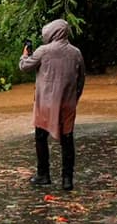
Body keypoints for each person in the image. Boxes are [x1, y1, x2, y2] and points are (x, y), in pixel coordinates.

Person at [19, 18, 86, 191]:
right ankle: (67, 179)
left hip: (45, 105)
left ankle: (43, 174)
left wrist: (25, 54)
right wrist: (74, 98)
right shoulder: (76, 53)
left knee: (41, 137)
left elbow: (25, 67)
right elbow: (81, 80)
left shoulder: (43, 51)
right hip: (68, 104)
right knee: (67, 140)